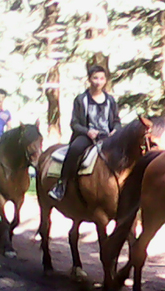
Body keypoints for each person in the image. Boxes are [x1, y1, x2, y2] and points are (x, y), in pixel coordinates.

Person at [49, 65, 121, 201]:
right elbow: (74, 123)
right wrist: (88, 132)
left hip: (108, 137)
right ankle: (62, 184)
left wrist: (116, 130)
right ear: (89, 79)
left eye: (101, 78)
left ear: (105, 80)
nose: (98, 82)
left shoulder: (110, 100)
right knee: (75, 149)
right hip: (86, 136)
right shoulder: (81, 99)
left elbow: (116, 120)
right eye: (95, 78)